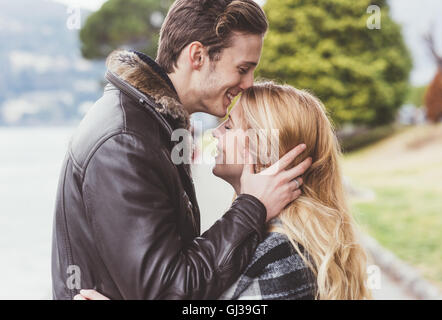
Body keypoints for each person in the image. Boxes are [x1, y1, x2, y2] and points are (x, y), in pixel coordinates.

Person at [52, 0, 311, 300]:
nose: (249, 83)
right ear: (198, 55)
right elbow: (166, 291)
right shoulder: (126, 141)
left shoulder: (153, 126)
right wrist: (251, 206)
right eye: (242, 69)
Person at [76, 82, 373, 301]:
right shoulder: (267, 236)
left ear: (263, 149)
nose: (215, 133)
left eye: (229, 126)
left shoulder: (281, 254)